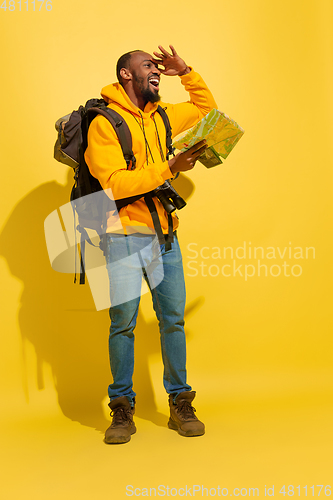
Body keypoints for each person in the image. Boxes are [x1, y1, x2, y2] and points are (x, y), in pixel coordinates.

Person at [84, 45, 218, 444]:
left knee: (172, 320)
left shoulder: (161, 115)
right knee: (123, 324)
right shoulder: (104, 122)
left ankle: (180, 402)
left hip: (165, 234)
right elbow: (113, 184)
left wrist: (186, 71)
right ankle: (122, 409)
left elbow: (207, 109)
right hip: (123, 234)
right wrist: (170, 168)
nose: (156, 71)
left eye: (158, 67)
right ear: (127, 74)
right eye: (148, 66)